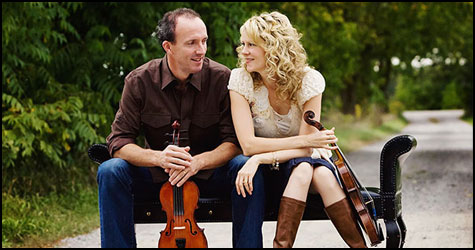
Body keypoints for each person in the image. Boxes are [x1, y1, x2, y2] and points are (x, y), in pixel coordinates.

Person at [97, 8, 242, 248]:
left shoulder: (221, 78)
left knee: (243, 166)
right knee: (110, 171)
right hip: (158, 176)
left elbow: (234, 143)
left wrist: (199, 162)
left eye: (204, 41)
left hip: (207, 173)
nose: (201, 50)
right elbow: (119, 142)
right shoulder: (139, 80)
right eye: (191, 43)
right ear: (168, 46)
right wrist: (159, 158)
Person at [228, 11, 367, 248]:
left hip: (301, 164)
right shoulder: (241, 80)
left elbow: (305, 151)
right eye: (243, 44)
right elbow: (249, 145)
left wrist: (261, 157)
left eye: (251, 45)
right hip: (267, 174)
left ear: (273, 48)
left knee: (311, 170)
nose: (244, 51)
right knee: (307, 168)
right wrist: (305, 143)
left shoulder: (308, 80)